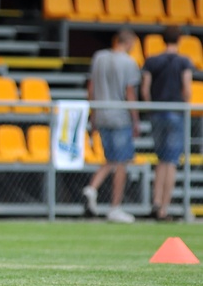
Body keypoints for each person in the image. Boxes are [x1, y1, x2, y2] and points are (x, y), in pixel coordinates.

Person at [82, 28, 141, 223]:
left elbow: (91, 88)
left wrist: (93, 114)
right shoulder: (129, 62)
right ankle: (115, 206)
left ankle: (92, 188)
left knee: (111, 158)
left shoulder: (99, 57)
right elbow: (129, 92)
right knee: (121, 162)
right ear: (130, 42)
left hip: (101, 113)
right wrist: (135, 119)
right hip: (120, 116)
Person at [141, 26, 192, 221]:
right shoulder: (183, 62)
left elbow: (145, 89)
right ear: (179, 39)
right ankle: (164, 208)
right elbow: (187, 89)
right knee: (171, 161)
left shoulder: (152, 61)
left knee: (160, 159)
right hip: (175, 113)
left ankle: (155, 201)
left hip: (157, 113)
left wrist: (150, 108)